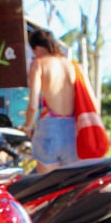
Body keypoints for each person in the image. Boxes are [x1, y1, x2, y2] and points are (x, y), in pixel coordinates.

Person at [23, 29, 83, 172]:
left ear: (37, 48)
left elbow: (33, 105)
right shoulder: (71, 65)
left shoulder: (39, 64)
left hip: (49, 128)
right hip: (72, 130)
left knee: (48, 189)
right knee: (70, 187)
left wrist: (28, 127)